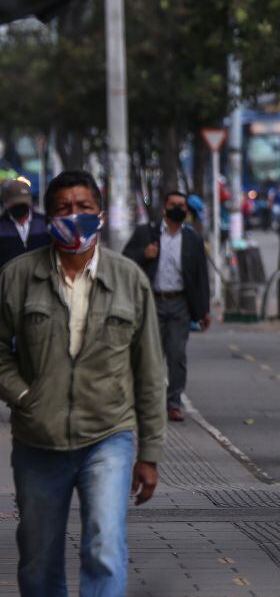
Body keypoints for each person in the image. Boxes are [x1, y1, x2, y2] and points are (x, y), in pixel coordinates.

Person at [0, 170, 165, 597]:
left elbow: (149, 370)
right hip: (39, 440)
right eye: (63, 209)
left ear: (100, 214)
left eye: (84, 207)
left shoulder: (129, 279)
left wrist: (150, 453)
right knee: (38, 560)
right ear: (49, 217)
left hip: (108, 436)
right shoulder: (18, 277)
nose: (74, 216)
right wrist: (23, 396)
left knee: (105, 547)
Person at [122, 190, 212, 422]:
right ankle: (147, 402)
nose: (178, 208)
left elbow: (201, 276)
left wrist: (204, 310)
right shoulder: (146, 233)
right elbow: (125, 261)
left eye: (182, 205)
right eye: (173, 204)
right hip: (152, 301)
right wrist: (144, 254)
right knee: (150, 355)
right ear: (164, 208)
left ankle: (173, 403)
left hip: (180, 303)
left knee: (177, 354)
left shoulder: (192, 239)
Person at [0, 177, 50, 269]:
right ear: (6, 202)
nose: (20, 206)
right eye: (16, 203)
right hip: (9, 277)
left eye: (23, 203)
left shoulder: (44, 223)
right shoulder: (1, 226)